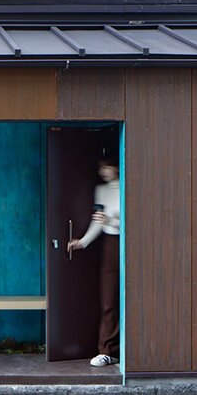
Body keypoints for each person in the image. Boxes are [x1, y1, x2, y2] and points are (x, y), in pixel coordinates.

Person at [67, 156, 120, 367]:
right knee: (109, 299)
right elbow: (98, 221)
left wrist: (113, 220)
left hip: (133, 244)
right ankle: (108, 351)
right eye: (101, 167)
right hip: (110, 245)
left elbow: (139, 219)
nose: (103, 171)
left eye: (108, 166)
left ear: (118, 167)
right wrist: (83, 242)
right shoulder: (102, 190)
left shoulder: (130, 187)